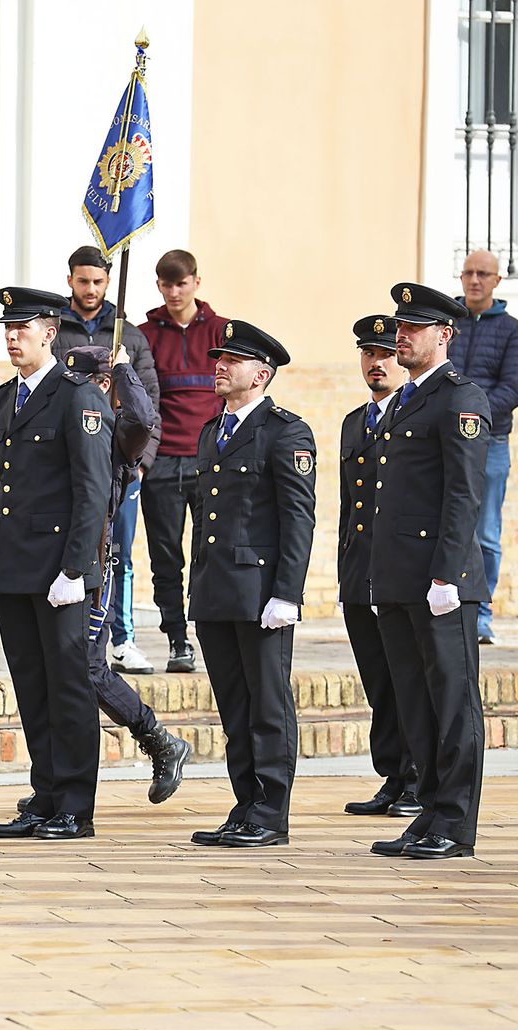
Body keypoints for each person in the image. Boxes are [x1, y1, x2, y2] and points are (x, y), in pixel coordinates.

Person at [0, 289, 111, 842]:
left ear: (49, 332)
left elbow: (92, 489)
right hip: (14, 567)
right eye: (6, 328)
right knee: (32, 686)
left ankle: (75, 805)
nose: (12, 336)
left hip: (60, 569)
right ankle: (46, 793)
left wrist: (75, 569)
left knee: (69, 687)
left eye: (22, 327)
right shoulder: (4, 396)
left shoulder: (76, 397)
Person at [369, 282, 492, 861]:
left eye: (414, 326)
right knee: (415, 701)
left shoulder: (459, 398)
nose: (401, 335)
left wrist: (446, 575)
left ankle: (455, 822)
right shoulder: (404, 400)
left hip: (439, 580)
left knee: (452, 702)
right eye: (400, 325)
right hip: (399, 578)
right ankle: (428, 812)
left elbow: (464, 495)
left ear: (444, 334)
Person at [184, 322, 315, 849]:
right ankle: (245, 804)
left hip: (260, 593)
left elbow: (296, 518)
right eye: (219, 358)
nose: (219, 366)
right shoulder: (211, 432)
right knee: (234, 706)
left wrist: (288, 593)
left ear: (261, 374)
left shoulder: (285, 432)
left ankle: (271, 811)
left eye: (231, 361)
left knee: (267, 704)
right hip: (216, 589)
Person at [59, 344, 191, 804]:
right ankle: (53, 785)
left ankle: (160, 740)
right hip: (53, 560)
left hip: (95, 562)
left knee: (88, 668)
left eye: (91, 382)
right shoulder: (68, 418)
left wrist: (123, 370)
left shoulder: (118, 430)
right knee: (61, 671)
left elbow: (143, 416)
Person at [53, 246, 161, 675]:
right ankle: (84, 630)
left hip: (121, 462)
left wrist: (141, 463)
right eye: (83, 281)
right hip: (73, 462)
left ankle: (123, 637)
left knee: (120, 553)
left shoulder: (129, 335)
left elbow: (149, 403)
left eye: (98, 282)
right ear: (70, 281)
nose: (91, 289)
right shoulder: (56, 332)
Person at [338, 317, 420, 820]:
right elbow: (351, 505)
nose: (376, 362)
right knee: (377, 679)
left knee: (407, 677)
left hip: (398, 571)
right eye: (368, 353)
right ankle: (393, 773)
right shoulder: (354, 422)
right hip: (359, 569)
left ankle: (417, 777)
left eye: (386, 353)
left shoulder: (414, 415)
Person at [137, 250, 230, 673]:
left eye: (181, 283)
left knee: (212, 552)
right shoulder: (143, 335)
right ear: (158, 285)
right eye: (165, 284)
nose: (174, 292)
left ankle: (214, 631)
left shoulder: (222, 331)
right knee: (165, 557)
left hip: (209, 461)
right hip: (161, 463)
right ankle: (177, 639)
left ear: (196, 281)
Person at [451, 250, 518, 644]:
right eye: (468, 273)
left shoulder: (514, 330)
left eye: (483, 273)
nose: (475, 280)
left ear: (497, 281)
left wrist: (471, 417)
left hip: (491, 441)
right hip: (443, 443)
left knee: (485, 534)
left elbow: (513, 388)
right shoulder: (446, 325)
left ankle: (481, 616)